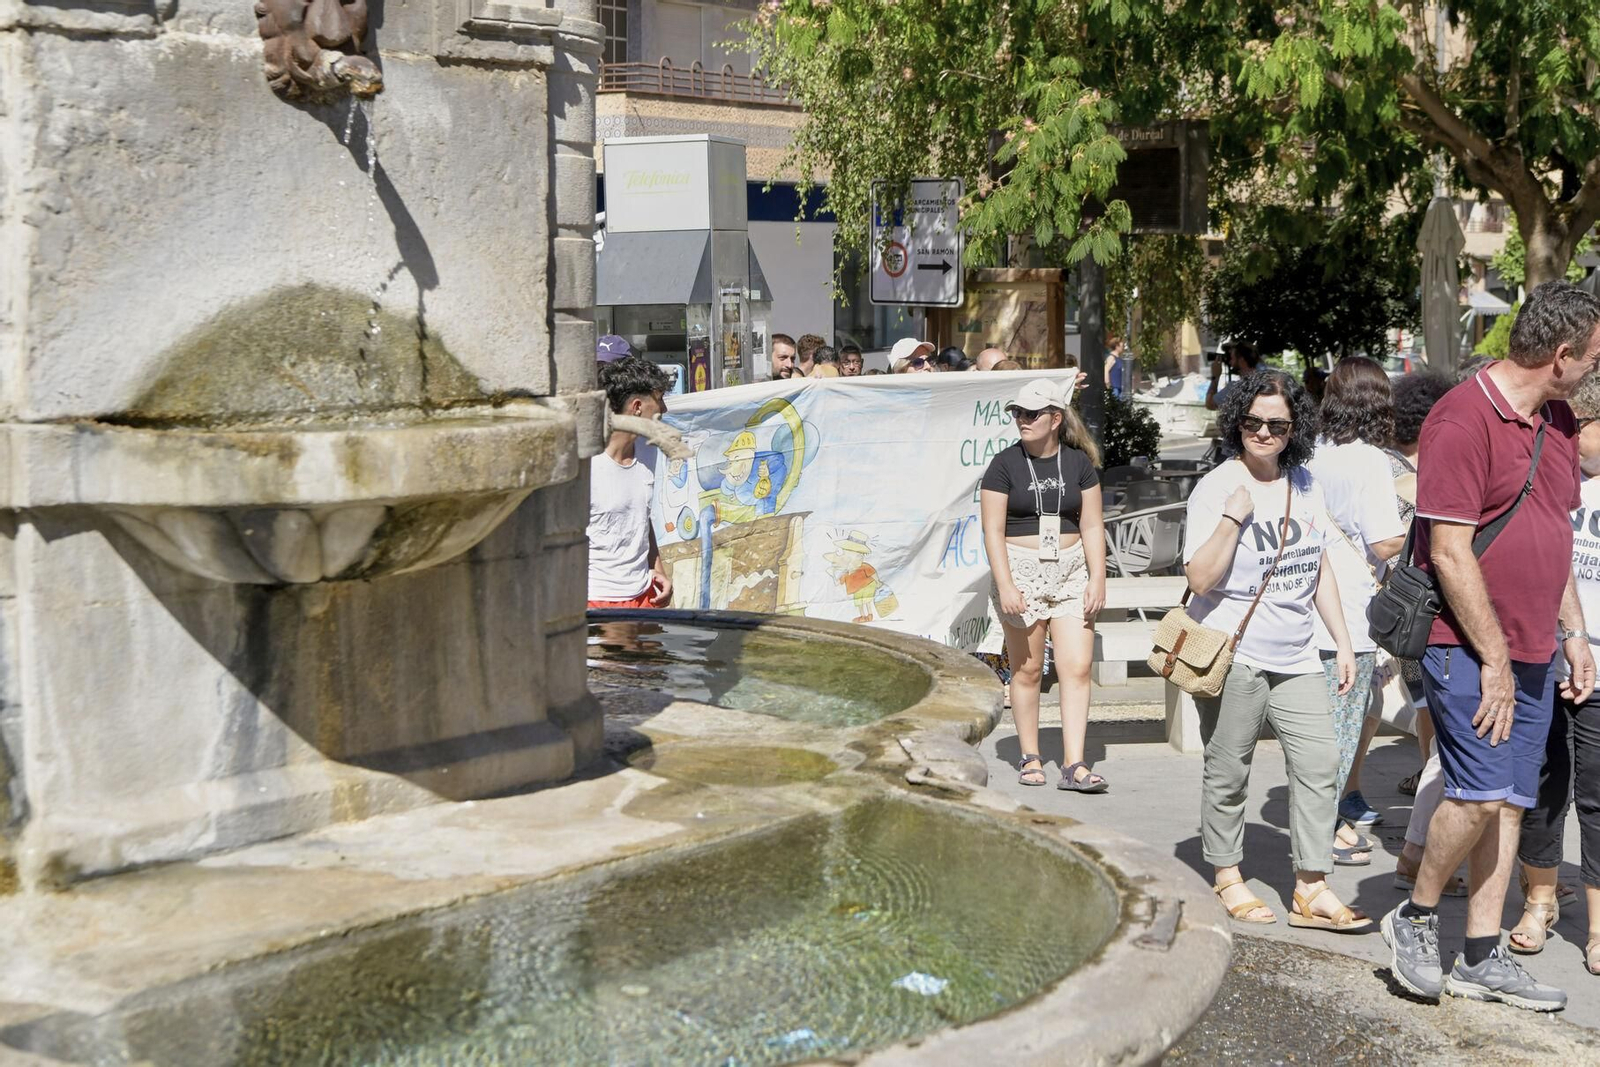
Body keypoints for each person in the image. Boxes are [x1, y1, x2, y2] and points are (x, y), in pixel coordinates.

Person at [1383, 280, 1600, 1013]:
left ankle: (1481, 953)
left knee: (1508, 801)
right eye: (1594, 357)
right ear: (1563, 355)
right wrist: (1499, 660)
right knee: (1476, 794)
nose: (1596, 370)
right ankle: (1414, 917)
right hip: (1464, 645)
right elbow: (1448, 550)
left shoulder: (1560, 420)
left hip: (1537, 646)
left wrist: (1572, 632)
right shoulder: (1460, 419)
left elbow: (1553, 537)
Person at [1183, 368, 1368, 931]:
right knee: (1229, 769)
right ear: (1237, 421)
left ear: (1295, 429)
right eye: (1252, 422)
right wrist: (1232, 520)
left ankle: (1311, 888)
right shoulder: (1217, 486)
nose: (1263, 433)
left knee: (1320, 762)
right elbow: (1199, 578)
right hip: (1234, 652)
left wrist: (1341, 642)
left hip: (1296, 655)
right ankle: (1228, 875)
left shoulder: (1305, 483)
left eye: (1277, 425)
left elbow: (1318, 569)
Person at [1511, 369, 1600, 970]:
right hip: (1542, 658)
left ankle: (1597, 927)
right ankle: (1538, 901)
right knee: (1541, 790)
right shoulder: (1551, 479)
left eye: (1581, 426)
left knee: (1596, 797)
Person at [980, 380, 1107, 791]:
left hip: (1072, 572)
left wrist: (1098, 577)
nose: (1022, 420)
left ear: (1055, 418)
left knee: (1077, 667)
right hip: (1021, 571)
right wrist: (1006, 585)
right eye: (1017, 413)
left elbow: (1091, 524)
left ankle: (1075, 764)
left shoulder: (1079, 464)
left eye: (1031, 414)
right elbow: (992, 532)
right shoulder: (1002, 465)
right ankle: (1030, 756)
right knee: (1029, 668)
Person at [1306, 357, 1407, 868]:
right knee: (1343, 727)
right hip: (1349, 606)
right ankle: (1325, 832)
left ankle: (1318, 820)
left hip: (1304, 605)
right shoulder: (1371, 460)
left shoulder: (1311, 453)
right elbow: (1385, 541)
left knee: (1316, 727)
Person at [1385, 372, 1462, 894]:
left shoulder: (1395, 476)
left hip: (1411, 623)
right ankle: (1423, 849)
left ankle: (1421, 845)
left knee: (1431, 732)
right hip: (1438, 624)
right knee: (1446, 748)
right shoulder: (1433, 477)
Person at [587, 356, 674, 609]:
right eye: (659, 400)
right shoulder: (586, 463)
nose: (664, 409)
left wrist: (657, 569)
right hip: (596, 600)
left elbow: (641, 520)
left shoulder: (650, 452)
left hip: (646, 595)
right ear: (637, 407)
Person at [1205, 342, 1262, 411]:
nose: (1230, 363)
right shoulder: (1264, 382)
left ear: (1241, 359)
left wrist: (1215, 377)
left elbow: (1210, 404)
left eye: (1232, 358)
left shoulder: (1235, 388)